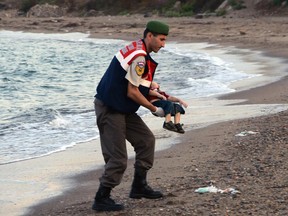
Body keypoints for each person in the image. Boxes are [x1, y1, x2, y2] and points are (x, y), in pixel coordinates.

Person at [92, 20, 169, 212]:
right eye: (161, 39)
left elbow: (136, 83)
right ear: (149, 36)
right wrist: (154, 109)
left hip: (123, 108)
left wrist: (155, 91)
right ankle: (102, 197)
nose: (163, 44)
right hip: (110, 108)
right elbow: (132, 92)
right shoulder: (140, 57)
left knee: (146, 140)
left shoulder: (137, 49)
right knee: (117, 158)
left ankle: (138, 187)